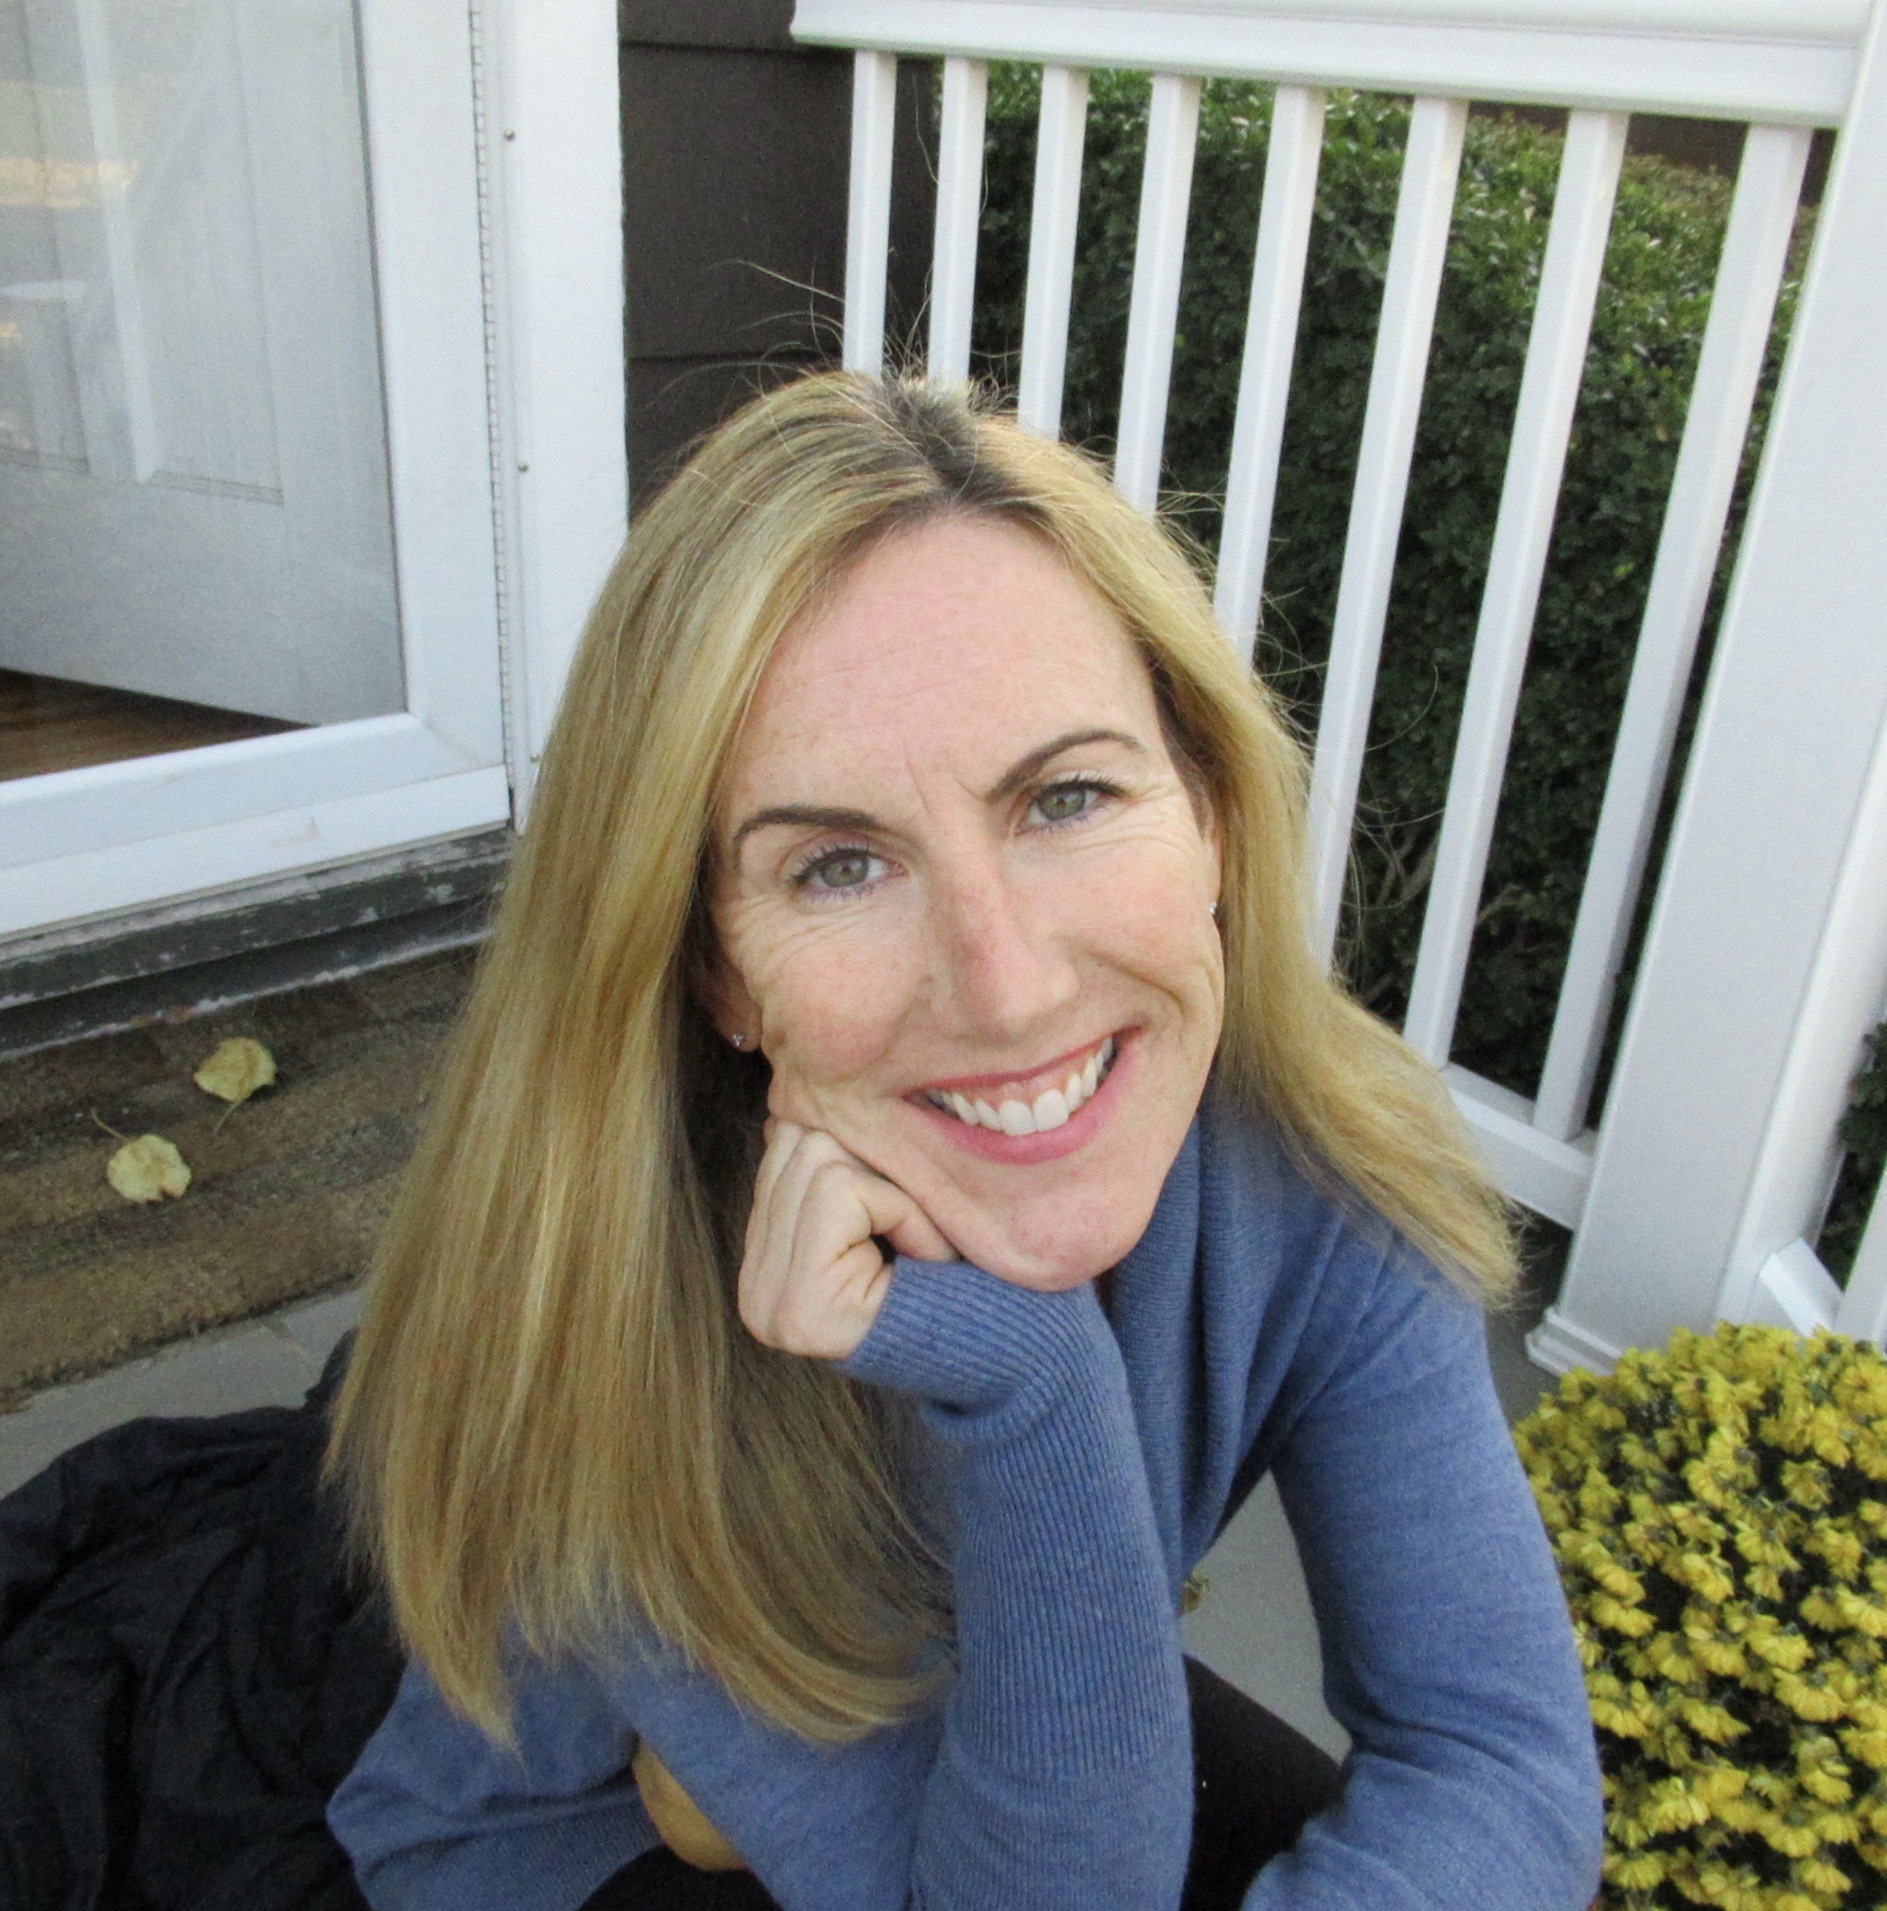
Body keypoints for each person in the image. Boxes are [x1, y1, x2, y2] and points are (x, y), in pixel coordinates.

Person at [324, 372, 1603, 1909]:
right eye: (841, 866)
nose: (1008, 990)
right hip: (583, 1845)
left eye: (1066, 795)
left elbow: (1502, 1769)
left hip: (1009, 1704)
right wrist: (1035, 1383)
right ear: (720, 972)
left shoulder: (1325, 1159)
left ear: (1208, 811)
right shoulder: (606, 1312)